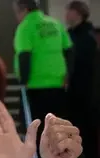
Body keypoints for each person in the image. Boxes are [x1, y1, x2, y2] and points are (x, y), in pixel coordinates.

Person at [14, 0, 72, 141]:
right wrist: (68, 75)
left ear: (24, 9)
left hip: (35, 86)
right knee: (57, 131)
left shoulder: (25, 26)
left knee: (37, 132)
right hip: (58, 85)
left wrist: (23, 81)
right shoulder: (55, 24)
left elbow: (24, 56)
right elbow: (69, 50)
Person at [65, 1, 98, 158]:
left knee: (88, 135)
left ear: (77, 13)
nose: (65, 16)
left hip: (86, 93)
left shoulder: (88, 37)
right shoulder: (69, 35)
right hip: (72, 93)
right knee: (71, 136)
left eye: (68, 12)